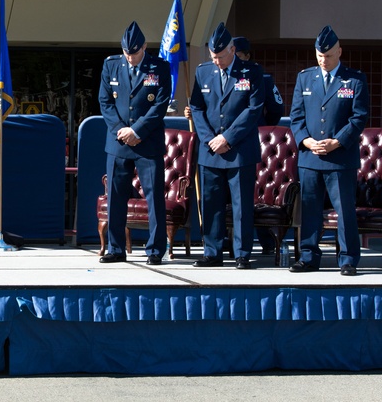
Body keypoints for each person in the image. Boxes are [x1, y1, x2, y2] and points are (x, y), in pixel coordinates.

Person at [289, 25, 369, 276]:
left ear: (340, 52)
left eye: (330, 55)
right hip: (310, 157)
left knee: (344, 210)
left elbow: (359, 118)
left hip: (340, 158)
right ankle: (308, 256)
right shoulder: (305, 77)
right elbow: (296, 117)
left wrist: (337, 141)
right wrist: (306, 141)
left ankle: (347, 259)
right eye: (320, 55)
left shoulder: (354, 79)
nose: (324, 60)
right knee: (310, 209)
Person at [188, 23, 264, 269]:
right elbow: (197, 107)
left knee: (241, 204)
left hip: (239, 150)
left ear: (232, 49)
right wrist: (210, 138)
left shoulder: (251, 72)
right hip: (210, 150)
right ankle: (212, 252)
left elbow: (253, 110)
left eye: (221, 56)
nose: (217, 61)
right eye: (213, 56)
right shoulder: (203, 72)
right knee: (210, 203)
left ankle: (242, 253)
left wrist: (227, 138)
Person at [97, 21, 172, 265]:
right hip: (119, 142)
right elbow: (105, 101)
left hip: (147, 141)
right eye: (126, 53)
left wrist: (137, 130)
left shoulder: (159, 67)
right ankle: (116, 248)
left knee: (154, 198)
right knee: (116, 197)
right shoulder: (111, 65)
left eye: (135, 53)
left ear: (144, 47)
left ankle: (154, 250)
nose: (130, 58)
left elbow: (160, 105)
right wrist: (121, 131)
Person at [232, 35, 285, 254]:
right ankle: (229, 243)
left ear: (246, 55)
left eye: (238, 55)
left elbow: (276, 108)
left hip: (256, 140)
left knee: (256, 192)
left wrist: (264, 128)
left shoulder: (262, 78)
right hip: (227, 143)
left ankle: (267, 242)